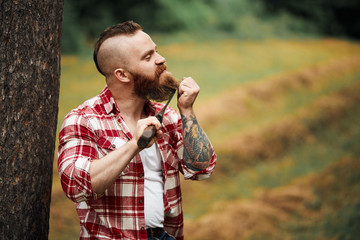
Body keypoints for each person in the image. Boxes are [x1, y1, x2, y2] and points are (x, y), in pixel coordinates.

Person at [57, 21, 216, 240]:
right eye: (148, 57)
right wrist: (134, 145)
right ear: (122, 75)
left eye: (156, 51)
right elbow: (75, 187)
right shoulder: (84, 120)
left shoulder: (167, 116)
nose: (161, 60)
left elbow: (202, 170)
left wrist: (187, 111)